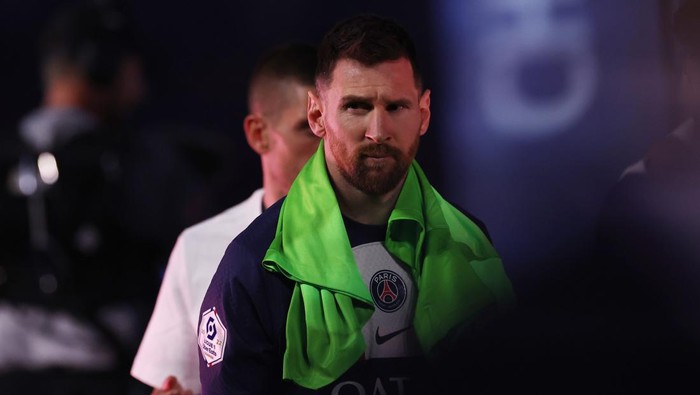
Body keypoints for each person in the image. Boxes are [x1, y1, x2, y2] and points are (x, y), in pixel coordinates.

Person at [198, 15, 515, 394]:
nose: (378, 132)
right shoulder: (258, 262)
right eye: (356, 107)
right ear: (317, 115)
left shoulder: (473, 245)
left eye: (396, 107)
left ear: (424, 113)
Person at [131, 44, 319, 394]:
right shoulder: (200, 246)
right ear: (259, 134)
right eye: (308, 128)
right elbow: (170, 382)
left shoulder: (384, 233)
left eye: (333, 126)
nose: (327, 145)